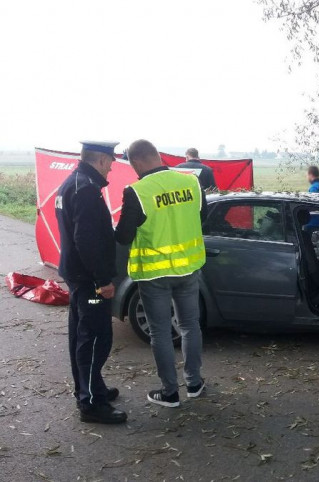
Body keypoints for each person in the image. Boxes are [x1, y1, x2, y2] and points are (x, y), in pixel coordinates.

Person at [115, 139, 207, 408]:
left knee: (161, 332)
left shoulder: (137, 191)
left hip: (154, 275)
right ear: (157, 155)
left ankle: (169, 393)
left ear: (137, 162)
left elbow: (123, 237)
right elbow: (199, 218)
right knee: (190, 326)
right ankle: (194, 383)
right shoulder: (191, 182)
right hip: (188, 267)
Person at [55, 141, 127, 424]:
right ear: (100, 159)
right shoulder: (85, 189)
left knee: (81, 334)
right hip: (90, 282)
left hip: (77, 276)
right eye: (111, 160)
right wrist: (102, 281)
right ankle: (91, 404)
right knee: (96, 336)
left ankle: (90, 388)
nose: (112, 165)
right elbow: (85, 239)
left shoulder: (73, 183)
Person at [303, 165, 319, 232]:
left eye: (307, 175)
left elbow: (312, 206)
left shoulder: (314, 188)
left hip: (314, 222)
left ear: (311, 175)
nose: (307, 177)